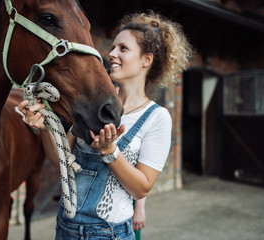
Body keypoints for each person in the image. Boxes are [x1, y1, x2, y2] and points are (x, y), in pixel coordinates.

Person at [18, 10, 192, 240]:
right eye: (112, 47)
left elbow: (142, 187)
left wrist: (110, 152)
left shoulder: (157, 117)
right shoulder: (94, 104)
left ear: (146, 60)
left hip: (108, 234)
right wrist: (43, 128)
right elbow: (58, 156)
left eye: (123, 48)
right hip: (65, 228)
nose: (112, 54)